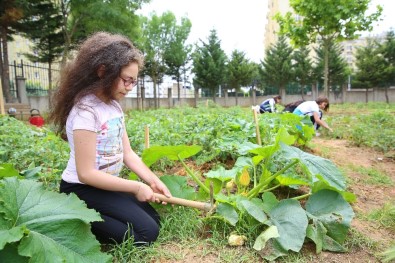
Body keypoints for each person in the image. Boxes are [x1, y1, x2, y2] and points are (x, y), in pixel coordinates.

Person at [49, 32, 172, 245]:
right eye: (126, 80)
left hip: (106, 186)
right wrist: (136, 187)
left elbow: (128, 153)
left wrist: (152, 181)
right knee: (145, 236)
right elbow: (86, 174)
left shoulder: (113, 106)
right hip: (81, 189)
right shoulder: (86, 112)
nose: (130, 87)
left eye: (134, 82)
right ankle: (75, 217)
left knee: (154, 220)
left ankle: (90, 216)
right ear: (103, 71)